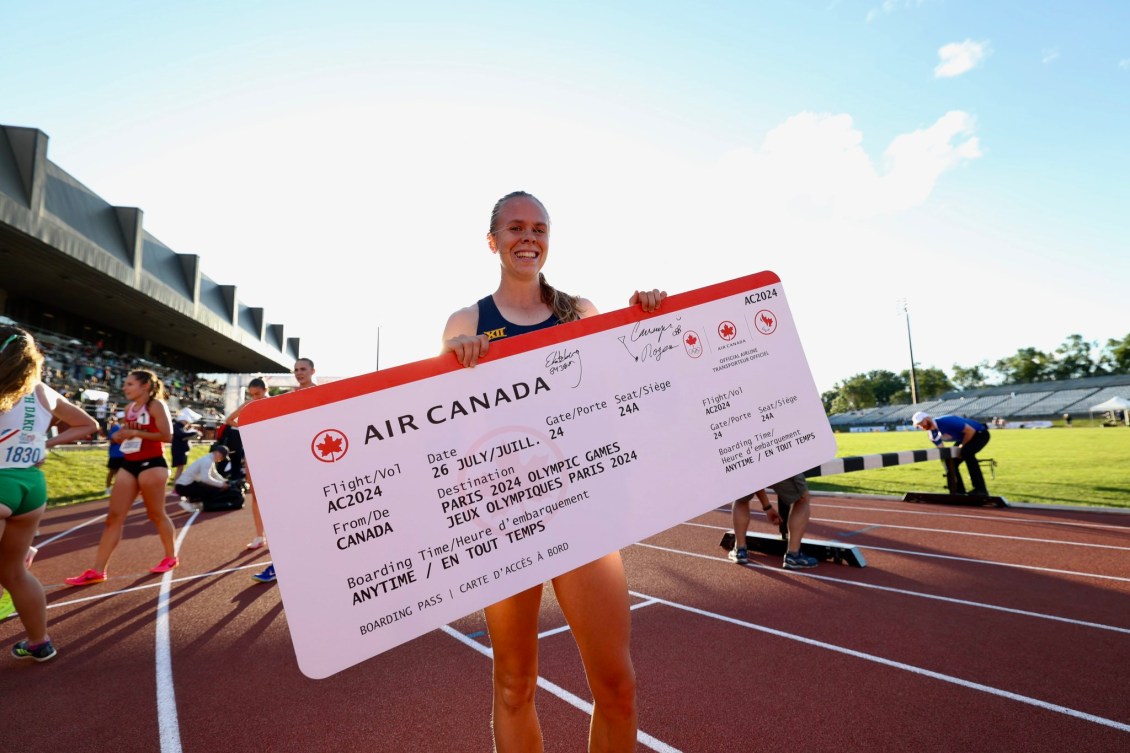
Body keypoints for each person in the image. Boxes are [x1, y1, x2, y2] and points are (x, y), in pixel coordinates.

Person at [442, 190, 665, 753]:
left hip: (584, 513)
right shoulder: (468, 321)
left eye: (539, 228)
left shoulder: (580, 312)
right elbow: (447, 428)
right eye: (515, 228)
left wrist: (646, 316)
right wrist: (457, 358)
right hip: (508, 516)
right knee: (515, 683)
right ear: (492, 241)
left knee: (617, 686)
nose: (529, 237)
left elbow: (630, 375)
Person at [1, 326, 99, 661]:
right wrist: (46, 442)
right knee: (14, 573)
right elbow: (88, 424)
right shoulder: (43, 391)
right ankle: (39, 641)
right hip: (31, 488)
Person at [65, 370, 178, 586]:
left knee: (155, 514)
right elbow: (129, 433)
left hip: (153, 463)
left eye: (130, 384)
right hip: (129, 463)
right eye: (125, 383)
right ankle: (98, 570)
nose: (124, 387)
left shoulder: (156, 405)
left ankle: (171, 557)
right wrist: (119, 436)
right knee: (113, 517)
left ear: (145, 386)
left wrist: (136, 434)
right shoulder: (128, 409)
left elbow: (167, 436)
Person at [251, 361, 316, 583]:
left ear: (313, 371)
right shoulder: (289, 397)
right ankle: (279, 565)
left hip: (317, 464)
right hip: (293, 463)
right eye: (296, 370)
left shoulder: (323, 393)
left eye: (303, 369)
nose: (299, 373)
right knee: (288, 516)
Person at [729, 475, 819, 570]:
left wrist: (767, 506)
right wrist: (767, 507)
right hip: (780, 463)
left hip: (748, 465)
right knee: (802, 499)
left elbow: (755, 472)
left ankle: (740, 550)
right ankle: (793, 555)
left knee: (741, 497)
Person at [224, 378, 269, 550]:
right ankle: (260, 536)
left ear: (266, 389)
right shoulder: (249, 406)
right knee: (256, 495)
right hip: (253, 451)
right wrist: (245, 425)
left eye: (258, 394)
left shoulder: (274, 403)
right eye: (252, 395)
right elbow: (229, 420)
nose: (255, 398)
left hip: (272, 453)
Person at [912, 411, 991, 496]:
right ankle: (958, 490)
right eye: (919, 425)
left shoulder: (946, 421)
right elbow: (943, 450)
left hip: (979, 433)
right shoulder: (932, 435)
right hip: (964, 438)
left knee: (967, 452)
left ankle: (981, 490)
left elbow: (970, 431)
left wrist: (962, 447)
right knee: (950, 461)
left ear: (928, 418)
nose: (921, 426)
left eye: (922, 422)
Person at [175, 444, 232, 511]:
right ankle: (188, 502)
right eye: (222, 457)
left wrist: (224, 481)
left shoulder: (210, 459)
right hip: (183, 487)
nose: (222, 459)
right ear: (218, 453)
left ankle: (192, 501)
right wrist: (222, 485)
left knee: (209, 487)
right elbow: (206, 479)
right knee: (212, 490)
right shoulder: (207, 461)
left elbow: (214, 474)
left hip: (185, 485)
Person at [169, 414, 201, 484]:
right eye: (186, 421)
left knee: (181, 467)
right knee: (180, 467)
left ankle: (177, 481)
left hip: (181, 449)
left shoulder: (180, 427)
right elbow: (181, 435)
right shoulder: (177, 426)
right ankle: (176, 482)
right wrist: (193, 432)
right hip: (178, 449)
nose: (187, 423)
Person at [104, 413, 125, 494]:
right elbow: (112, 440)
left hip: (120, 454)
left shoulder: (119, 427)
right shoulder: (117, 427)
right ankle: (108, 489)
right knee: (113, 472)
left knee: (117, 473)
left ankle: (114, 489)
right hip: (116, 454)